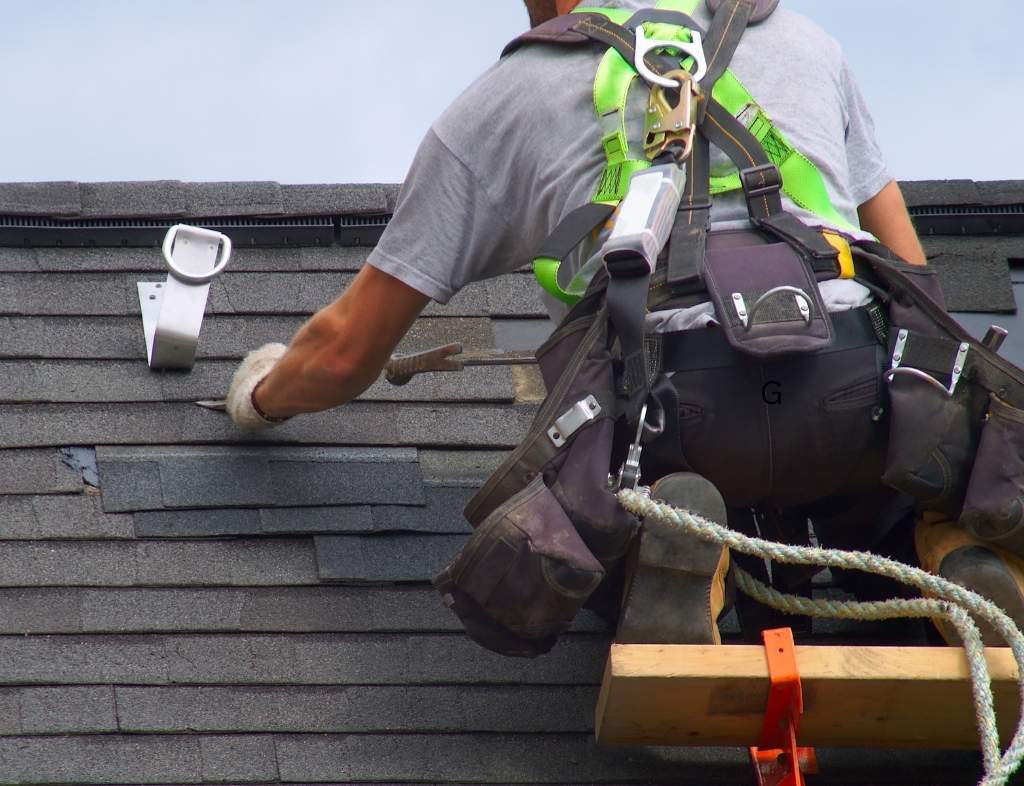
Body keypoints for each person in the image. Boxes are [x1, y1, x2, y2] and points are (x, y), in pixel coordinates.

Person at [224, 0, 1024, 645]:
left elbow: (343, 354)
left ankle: (678, 562)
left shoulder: (507, 98)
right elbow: (918, 289)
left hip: (675, 414)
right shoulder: (802, 36)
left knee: (609, 494)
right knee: (893, 474)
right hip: (856, 395)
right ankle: (946, 547)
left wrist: (259, 397)